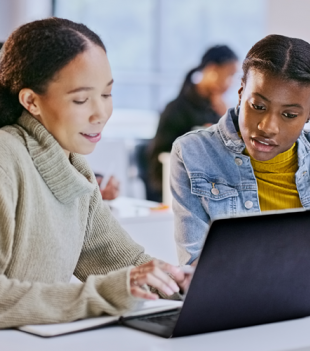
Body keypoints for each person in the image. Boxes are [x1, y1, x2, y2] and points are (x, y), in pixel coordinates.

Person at [0, 18, 190, 329]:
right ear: (31, 101)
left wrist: (176, 280)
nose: (100, 113)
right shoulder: (5, 157)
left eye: (106, 94)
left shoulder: (74, 164)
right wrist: (103, 295)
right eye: (81, 99)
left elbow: (119, 259)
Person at [171, 34, 310, 271]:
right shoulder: (193, 153)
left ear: (309, 113)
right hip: (242, 306)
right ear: (240, 93)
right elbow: (194, 269)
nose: (267, 127)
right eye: (258, 107)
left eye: (289, 115)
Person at [147, 45, 239, 202]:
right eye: (229, 75)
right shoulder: (177, 109)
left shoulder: (217, 108)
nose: (230, 83)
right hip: (173, 186)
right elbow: (161, 156)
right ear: (212, 70)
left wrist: (226, 117)